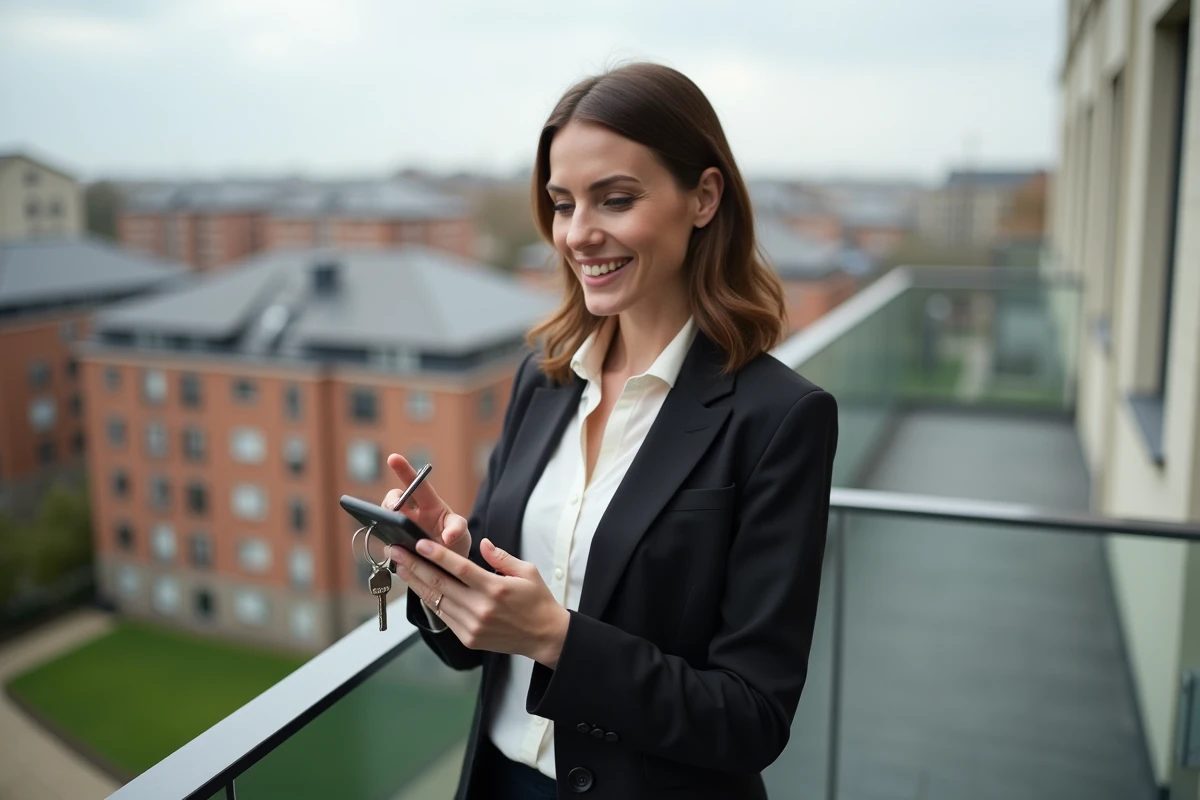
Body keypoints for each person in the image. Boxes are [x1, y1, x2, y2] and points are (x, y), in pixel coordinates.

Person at [382, 62, 839, 800]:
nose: (579, 234)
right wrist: (452, 567)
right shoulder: (545, 378)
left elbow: (753, 718)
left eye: (615, 200)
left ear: (704, 197)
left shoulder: (780, 418)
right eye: (563, 204)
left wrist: (556, 639)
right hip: (499, 784)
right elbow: (476, 654)